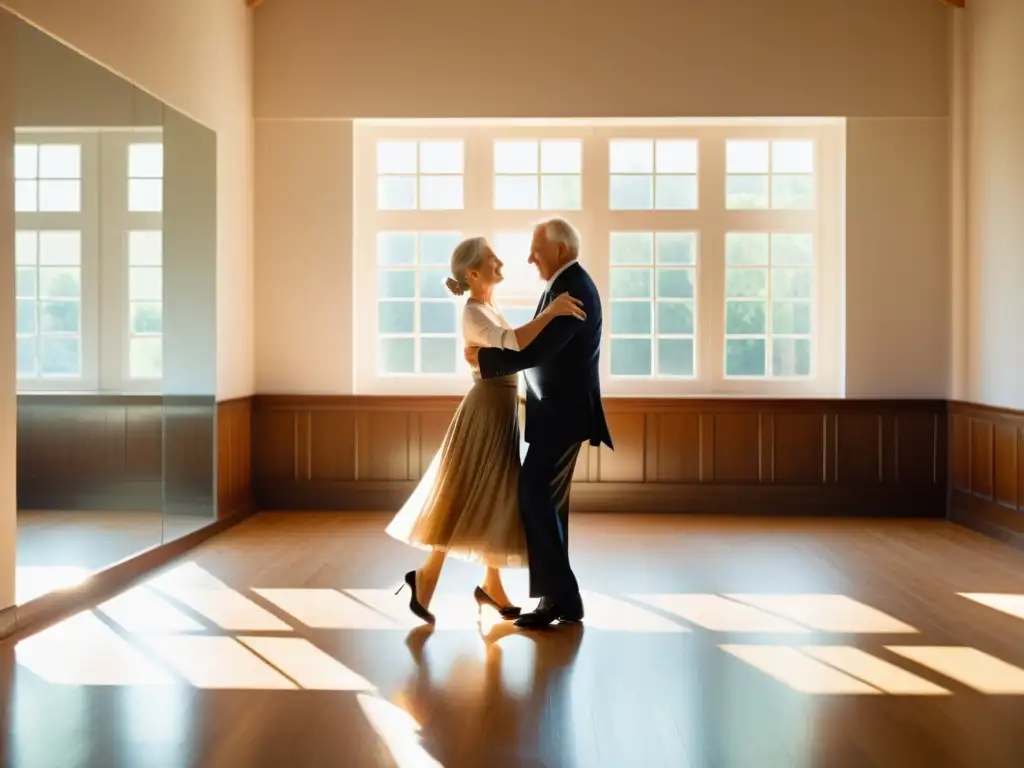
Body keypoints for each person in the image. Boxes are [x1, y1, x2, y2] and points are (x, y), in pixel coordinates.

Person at [387, 235, 586, 625]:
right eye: (492, 258)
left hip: (502, 411)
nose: (501, 261)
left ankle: (491, 586)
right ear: (473, 272)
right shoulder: (474, 313)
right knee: (462, 494)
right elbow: (513, 344)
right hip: (484, 413)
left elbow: (512, 357)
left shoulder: (490, 308)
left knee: (498, 494)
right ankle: (425, 578)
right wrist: (553, 312)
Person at [464, 218, 612, 630]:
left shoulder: (573, 288)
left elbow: (536, 351)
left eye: (536, 250)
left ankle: (562, 597)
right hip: (558, 415)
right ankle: (560, 598)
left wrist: (483, 360)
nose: (529, 258)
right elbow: (537, 346)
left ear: (560, 250)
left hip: (563, 416)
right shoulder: (564, 286)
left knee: (535, 496)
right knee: (547, 504)